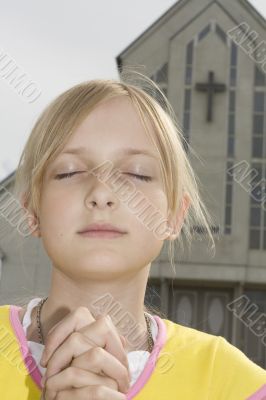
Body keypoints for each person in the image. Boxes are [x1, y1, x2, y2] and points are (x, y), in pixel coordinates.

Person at [0, 72, 265, 400]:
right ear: (32, 211)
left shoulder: (234, 384)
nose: (102, 193)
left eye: (136, 173)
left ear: (174, 216)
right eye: (69, 171)